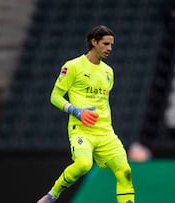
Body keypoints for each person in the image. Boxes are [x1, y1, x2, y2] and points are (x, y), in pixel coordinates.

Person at [37, 25, 135, 203]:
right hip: (82, 129)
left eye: (111, 45)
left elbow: (102, 102)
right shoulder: (73, 66)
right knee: (83, 164)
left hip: (105, 132)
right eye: (105, 44)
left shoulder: (108, 72)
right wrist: (76, 111)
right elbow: (55, 96)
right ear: (94, 42)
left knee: (125, 172)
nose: (109, 49)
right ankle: (52, 195)